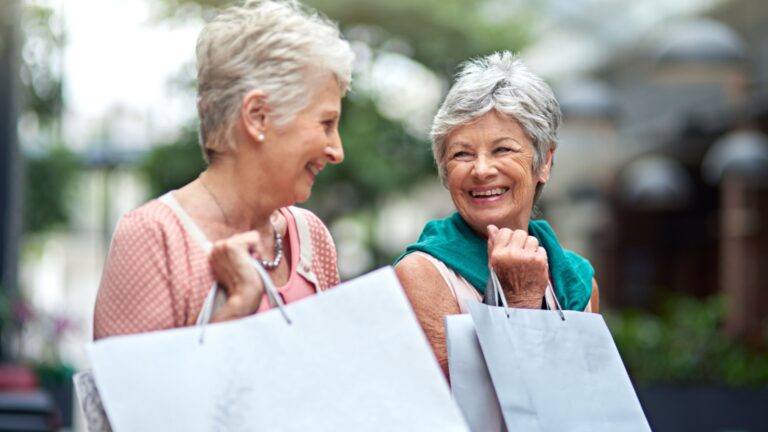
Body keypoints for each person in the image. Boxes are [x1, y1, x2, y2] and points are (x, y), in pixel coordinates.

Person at [93, 0, 354, 339]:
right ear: (257, 115)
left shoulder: (311, 237)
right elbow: (136, 392)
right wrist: (238, 307)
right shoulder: (153, 238)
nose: (337, 151)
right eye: (326, 123)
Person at [394, 52, 600, 377]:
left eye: (502, 149)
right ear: (445, 169)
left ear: (544, 162)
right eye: (461, 154)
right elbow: (448, 408)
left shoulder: (578, 280)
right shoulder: (422, 274)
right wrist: (519, 301)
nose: (481, 170)